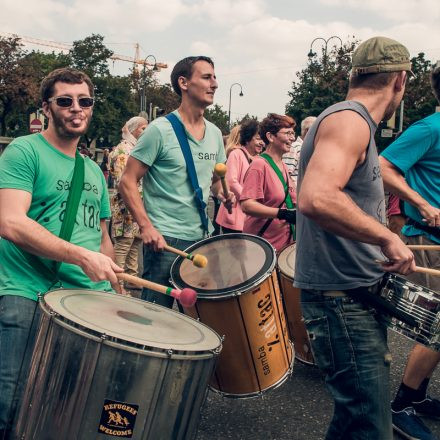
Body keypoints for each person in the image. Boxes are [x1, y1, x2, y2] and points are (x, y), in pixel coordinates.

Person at [294, 36, 415, 439]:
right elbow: (315, 196)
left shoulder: (352, 120)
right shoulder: (349, 120)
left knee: (354, 421)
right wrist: (386, 237)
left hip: (353, 294)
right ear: (400, 80)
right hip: (342, 300)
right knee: (370, 426)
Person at [0, 67, 122, 439]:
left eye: (84, 101)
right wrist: (80, 257)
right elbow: (10, 222)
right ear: (46, 108)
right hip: (26, 289)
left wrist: (116, 291)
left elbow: (101, 238)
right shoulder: (25, 150)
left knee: (71, 404)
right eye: (65, 101)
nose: (76, 108)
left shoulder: (94, 172)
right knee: (12, 402)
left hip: (83, 299)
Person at [119, 56, 233, 308]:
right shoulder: (160, 130)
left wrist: (224, 193)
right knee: (155, 319)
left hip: (203, 238)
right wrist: (146, 227)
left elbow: (213, 182)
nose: (214, 83)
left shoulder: (214, 133)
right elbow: (127, 181)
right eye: (206, 77)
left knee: (196, 319)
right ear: (183, 82)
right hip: (165, 240)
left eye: (214, 77)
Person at [380, 61, 440, 440]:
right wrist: (423, 203)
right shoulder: (429, 128)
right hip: (428, 240)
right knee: (438, 327)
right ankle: (400, 406)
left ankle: (416, 397)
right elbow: (382, 166)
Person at [240, 113, 296, 252]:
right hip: (263, 248)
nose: (292, 138)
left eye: (293, 133)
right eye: (288, 133)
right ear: (271, 137)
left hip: (283, 244)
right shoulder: (259, 165)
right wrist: (282, 214)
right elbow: (247, 205)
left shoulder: (283, 165)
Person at [109, 116, 148, 294]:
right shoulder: (123, 151)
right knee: (124, 244)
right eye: (142, 129)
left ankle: (132, 277)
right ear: (132, 131)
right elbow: (122, 182)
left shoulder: (133, 149)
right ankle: (117, 282)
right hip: (126, 206)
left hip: (135, 204)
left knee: (134, 242)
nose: (145, 132)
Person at [216, 119, 264, 233]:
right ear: (247, 139)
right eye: (258, 138)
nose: (262, 142)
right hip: (235, 213)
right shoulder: (236, 154)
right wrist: (250, 200)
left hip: (251, 216)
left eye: (263, 139)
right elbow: (231, 181)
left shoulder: (259, 159)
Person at [282, 116, 316, 186]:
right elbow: (285, 175)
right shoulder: (295, 147)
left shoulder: (306, 148)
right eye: (317, 130)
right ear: (308, 130)